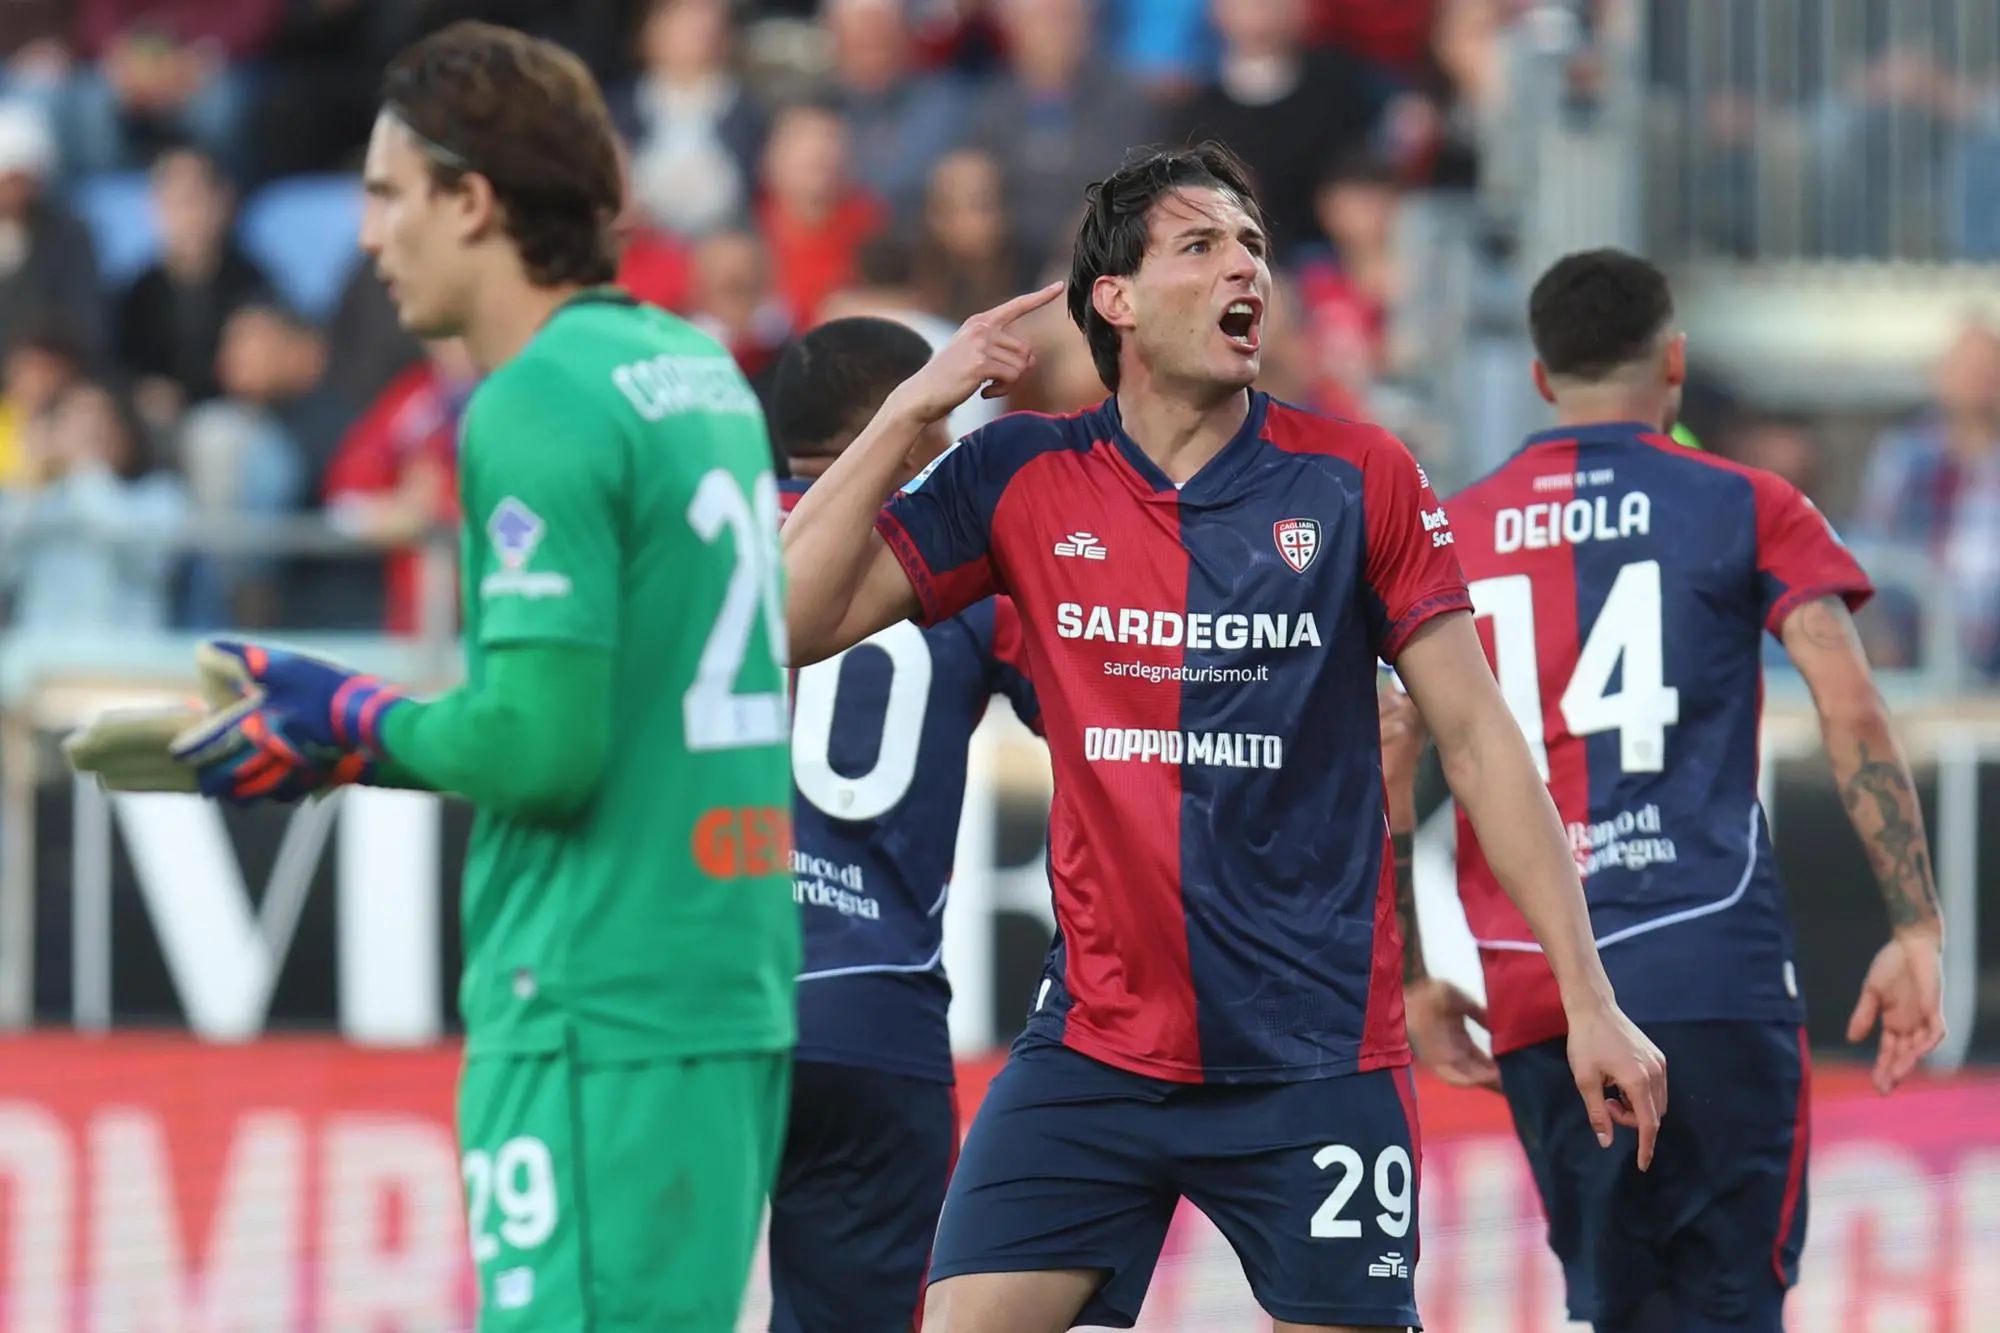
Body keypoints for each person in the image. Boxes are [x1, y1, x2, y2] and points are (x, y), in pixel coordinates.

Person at [781, 140, 1667, 1333]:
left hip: (1310, 1065)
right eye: (1199, 244)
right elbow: (784, 624)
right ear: (1118, 300)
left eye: (1251, 243)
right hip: (1090, 1051)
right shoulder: (1017, 473)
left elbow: (1476, 735)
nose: (1244, 264)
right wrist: (907, 410)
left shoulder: (1356, 477)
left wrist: (1588, 992)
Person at [165, 22, 797, 1333]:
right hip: (723, 976)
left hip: (586, 996)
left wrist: (348, 721)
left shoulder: (533, 402)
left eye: (392, 193)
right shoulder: (693, 368)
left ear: (474, 199)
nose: (366, 235)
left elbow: (538, 750)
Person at [1394, 247, 1946, 1333]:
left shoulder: (1444, 531)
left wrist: (1410, 975)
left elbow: (1381, 753)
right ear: (1675, 361)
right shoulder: (1744, 501)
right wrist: (1914, 923)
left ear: (1542, 378)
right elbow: (1849, 704)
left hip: (1532, 981)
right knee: (1729, 1304)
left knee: (1618, 1308)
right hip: (1708, 966)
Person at [765, 315, 1040, 1332]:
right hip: (871, 1011)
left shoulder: (692, 545)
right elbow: (1104, 723)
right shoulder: (955, 567)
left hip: (695, 992)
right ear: (909, 431)